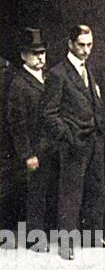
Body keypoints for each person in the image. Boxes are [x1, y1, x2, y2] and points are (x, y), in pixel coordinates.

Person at [42, 24, 105, 258]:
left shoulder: (88, 69)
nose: (86, 50)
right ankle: (66, 245)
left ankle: (94, 236)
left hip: (94, 139)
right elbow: (48, 113)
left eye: (89, 45)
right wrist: (67, 135)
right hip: (74, 144)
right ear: (70, 44)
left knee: (96, 190)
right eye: (81, 45)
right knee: (70, 195)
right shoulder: (57, 74)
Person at [6, 28, 51, 246]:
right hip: (34, 149)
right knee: (36, 193)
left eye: (42, 52)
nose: (40, 57)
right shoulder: (19, 84)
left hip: (50, 145)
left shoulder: (47, 77)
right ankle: (35, 237)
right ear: (23, 56)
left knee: (48, 189)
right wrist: (27, 154)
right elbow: (17, 124)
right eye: (35, 53)